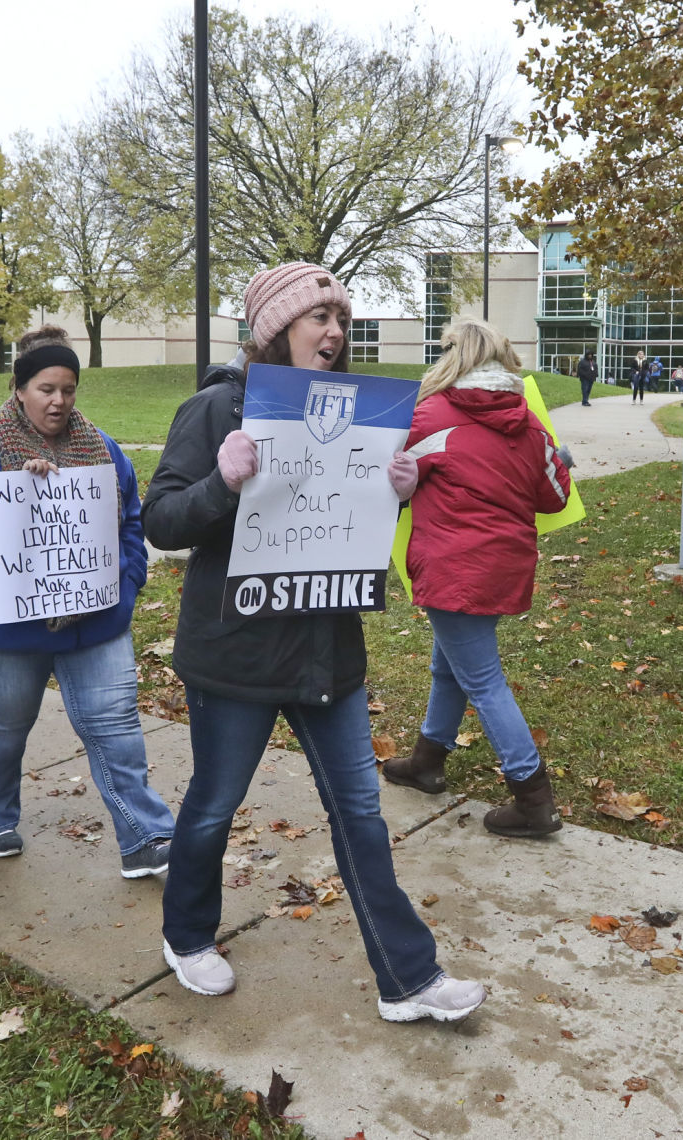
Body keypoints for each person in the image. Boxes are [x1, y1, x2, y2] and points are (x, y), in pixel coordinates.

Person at [144, 260, 485, 1023]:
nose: (334, 334)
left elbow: (344, 524)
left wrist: (390, 496)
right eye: (317, 320)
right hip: (235, 651)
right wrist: (219, 484)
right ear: (275, 331)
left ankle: (408, 979)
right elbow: (161, 521)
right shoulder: (214, 410)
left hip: (328, 649)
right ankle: (188, 934)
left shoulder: (360, 411)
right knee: (212, 806)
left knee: (360, 812)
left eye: (341, 321)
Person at [0, 328, 174, 865]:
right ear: (19, 389)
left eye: (68, 389)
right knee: (4, 729)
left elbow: (131, 521)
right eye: (45, 389)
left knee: (117, 728)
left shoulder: (102, 447)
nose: (58, 400)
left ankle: (144, 836)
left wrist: (127, 583)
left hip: (95, 620)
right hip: (6, 627)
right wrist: (18, 492)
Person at [382, 318, 572, 838]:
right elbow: (552, 498)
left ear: (454, 357)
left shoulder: (430, 416)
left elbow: (385, 483)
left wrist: (402, 485)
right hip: (502, 566)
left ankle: (534, 799)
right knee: (451, 666)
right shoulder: (531, 423)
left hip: (452, 566)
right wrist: (560, 462)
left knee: (483, 680)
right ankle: (427, 761)